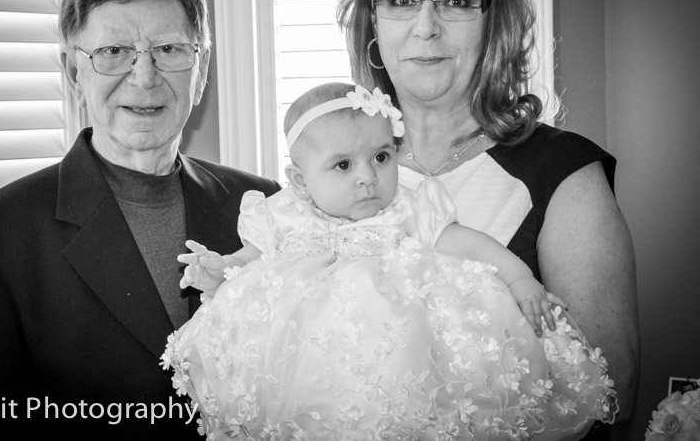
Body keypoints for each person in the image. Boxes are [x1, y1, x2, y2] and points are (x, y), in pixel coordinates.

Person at [0, 0, 280, 439]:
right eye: (114, 51)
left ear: (200, 72)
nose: (144, 76)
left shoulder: (264, 205)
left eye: (169, 49)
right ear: (75, 74)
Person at [163, 82, 617, 440]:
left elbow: (465, 242)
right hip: (307, 357)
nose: (368, 177)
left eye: (380, 157)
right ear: (300, 181)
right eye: (343, 165)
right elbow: (251, 261)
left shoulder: (407, 207)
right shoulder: (283, 213)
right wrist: (219, 271)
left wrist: (519, 278)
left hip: (398, 348)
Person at [336, 0, 640, 434]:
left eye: (455, 2)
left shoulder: (563, 174)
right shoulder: (337, 172)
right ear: (373, 22)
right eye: (402, 0)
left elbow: (612, 390)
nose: (426, 27)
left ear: (492, 23)